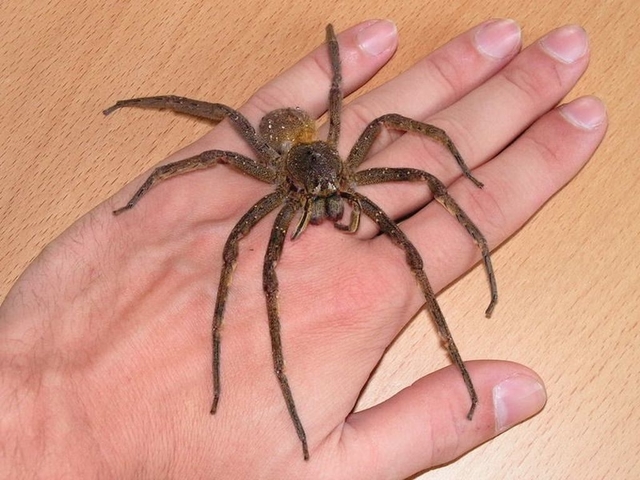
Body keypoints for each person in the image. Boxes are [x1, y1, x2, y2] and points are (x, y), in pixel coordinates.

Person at [0, 18, 605, 479]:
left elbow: (412, 154)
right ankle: (274, 376)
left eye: (333, 188)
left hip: (317, 152)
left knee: (416, 213)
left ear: (342, 161)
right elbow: (229, 204)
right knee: (255, 259)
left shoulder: (349, 159)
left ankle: (462, 303)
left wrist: (469, 196)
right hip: (282, 148)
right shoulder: (271, 175)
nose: (325, 200)